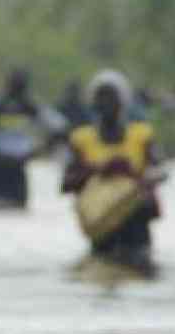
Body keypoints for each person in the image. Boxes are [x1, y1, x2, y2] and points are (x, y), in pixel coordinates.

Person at [61, 68, 169, 269]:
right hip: (102, 229)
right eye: (100, 98)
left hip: (136, 227)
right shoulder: (81, 139)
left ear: (122, 101)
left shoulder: (142, 135)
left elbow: (161, 170)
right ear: (93, 103)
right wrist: (99, 170)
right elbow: (66, 183)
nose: (105, 104)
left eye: (111, 97)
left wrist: (134, 175)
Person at [0, 66, 52, 208]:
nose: (16, 93)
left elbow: (56, 131)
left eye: (19, 87)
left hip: (17, 171)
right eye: (14, 87)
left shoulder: (31, 108)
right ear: (8, 86)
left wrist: (35, 153)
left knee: (16, 211)